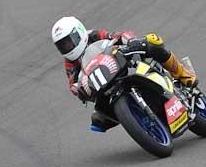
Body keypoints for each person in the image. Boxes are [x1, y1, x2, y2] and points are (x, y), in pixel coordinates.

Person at [51, 15, 197, 132]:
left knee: (152, 41)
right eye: (62, 46)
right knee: (97, 120)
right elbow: (73, 83)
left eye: (68, 42)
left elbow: (117, 35)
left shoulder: (94, 35)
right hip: (106, 87)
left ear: (79, 33)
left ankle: (183, 74)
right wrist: (79, 90)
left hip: (123, 64)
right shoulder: (70, 62)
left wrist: (129, 40)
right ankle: (139, 118)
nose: (67, 47)